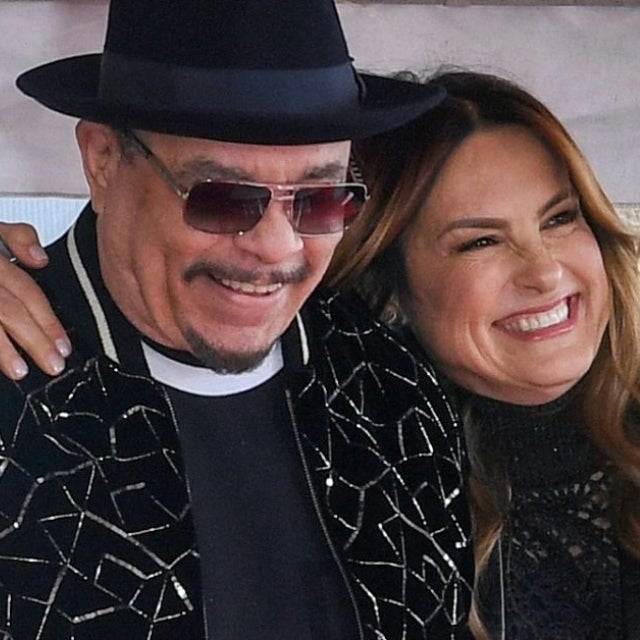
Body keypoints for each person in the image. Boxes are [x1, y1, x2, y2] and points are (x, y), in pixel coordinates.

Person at [0, 1, 474, 638]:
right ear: (103, 160)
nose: (277, 247)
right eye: (222, 198)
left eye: (319, 200)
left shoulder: (393, 386)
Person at [327, 71, 640, 639]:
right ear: (393, 292)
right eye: (481, 242)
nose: (545, 273)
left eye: (559, 218)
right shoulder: (363, 510)